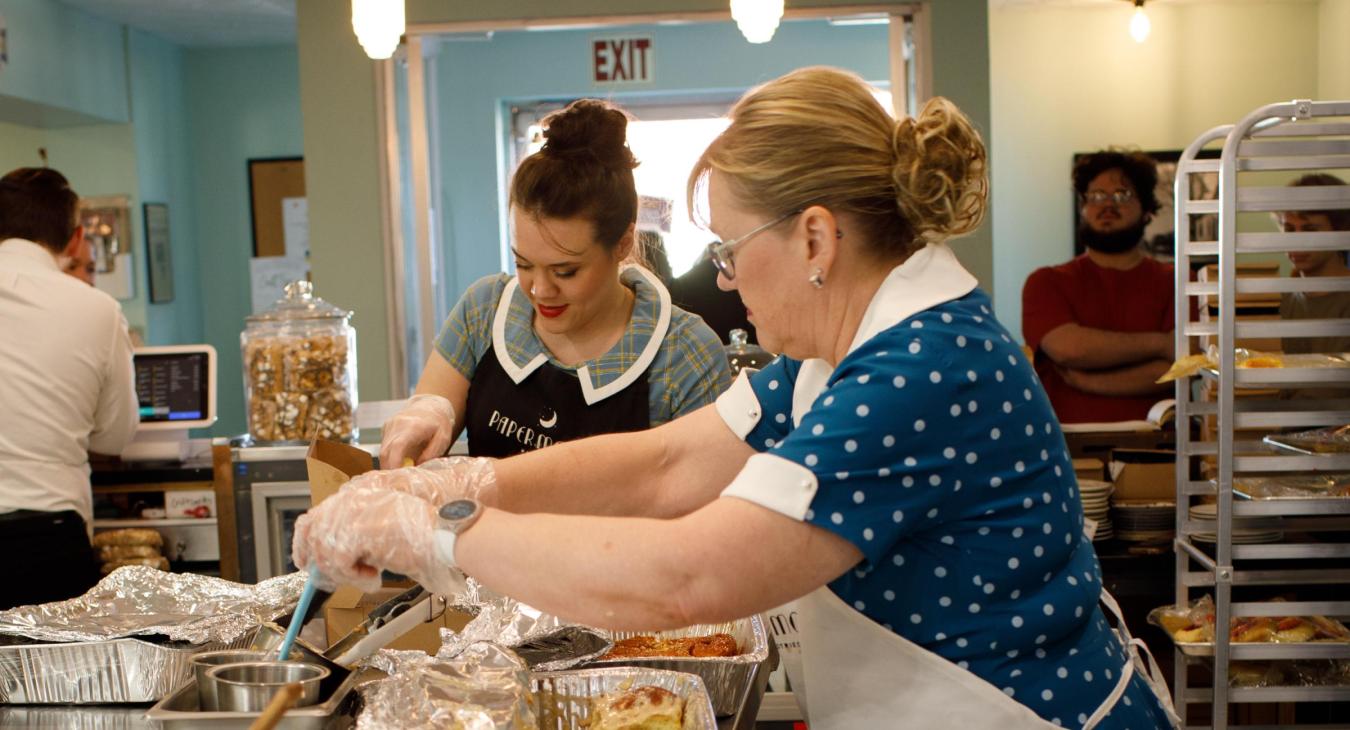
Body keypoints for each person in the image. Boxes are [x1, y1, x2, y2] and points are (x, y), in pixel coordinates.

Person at [295, 67, 1174, 729]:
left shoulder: (922, 368)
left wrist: (437, 534)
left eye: (729, 249)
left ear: (816, 237)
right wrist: (458, 483)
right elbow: (667, 464)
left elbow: (691, 576)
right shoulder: (842, 348)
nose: (724, 278)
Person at [380, 99, 731, 464]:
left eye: (566, 271)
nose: (540, 290)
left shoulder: (684, 354)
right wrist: (425, 417)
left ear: (623, 243)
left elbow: (700, 499)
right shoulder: (483, 312)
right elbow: (424, 430)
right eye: (523, 264)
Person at [0, 167, 138, 609]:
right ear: (76, 238)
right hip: (46, 540)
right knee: (59, 677)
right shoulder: (96, 309)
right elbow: (114, 436)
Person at [1022, 150, 1175, 424]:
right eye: (1096, 196)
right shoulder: (1045, 283)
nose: (1107, 204)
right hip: (1068, 451)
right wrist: (1161, 343)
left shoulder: (1178, 282)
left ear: (1147, 209)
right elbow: (1069, 349)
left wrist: (1087, 381)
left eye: (1121, 195)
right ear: (1083, 207)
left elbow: (1175, 370)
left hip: (1161, 451)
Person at [1277, 172, 1350, 354]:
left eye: (1310, 229)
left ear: (1341, 231)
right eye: (1289, 229)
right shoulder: (1279, 300)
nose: (1297, 240)